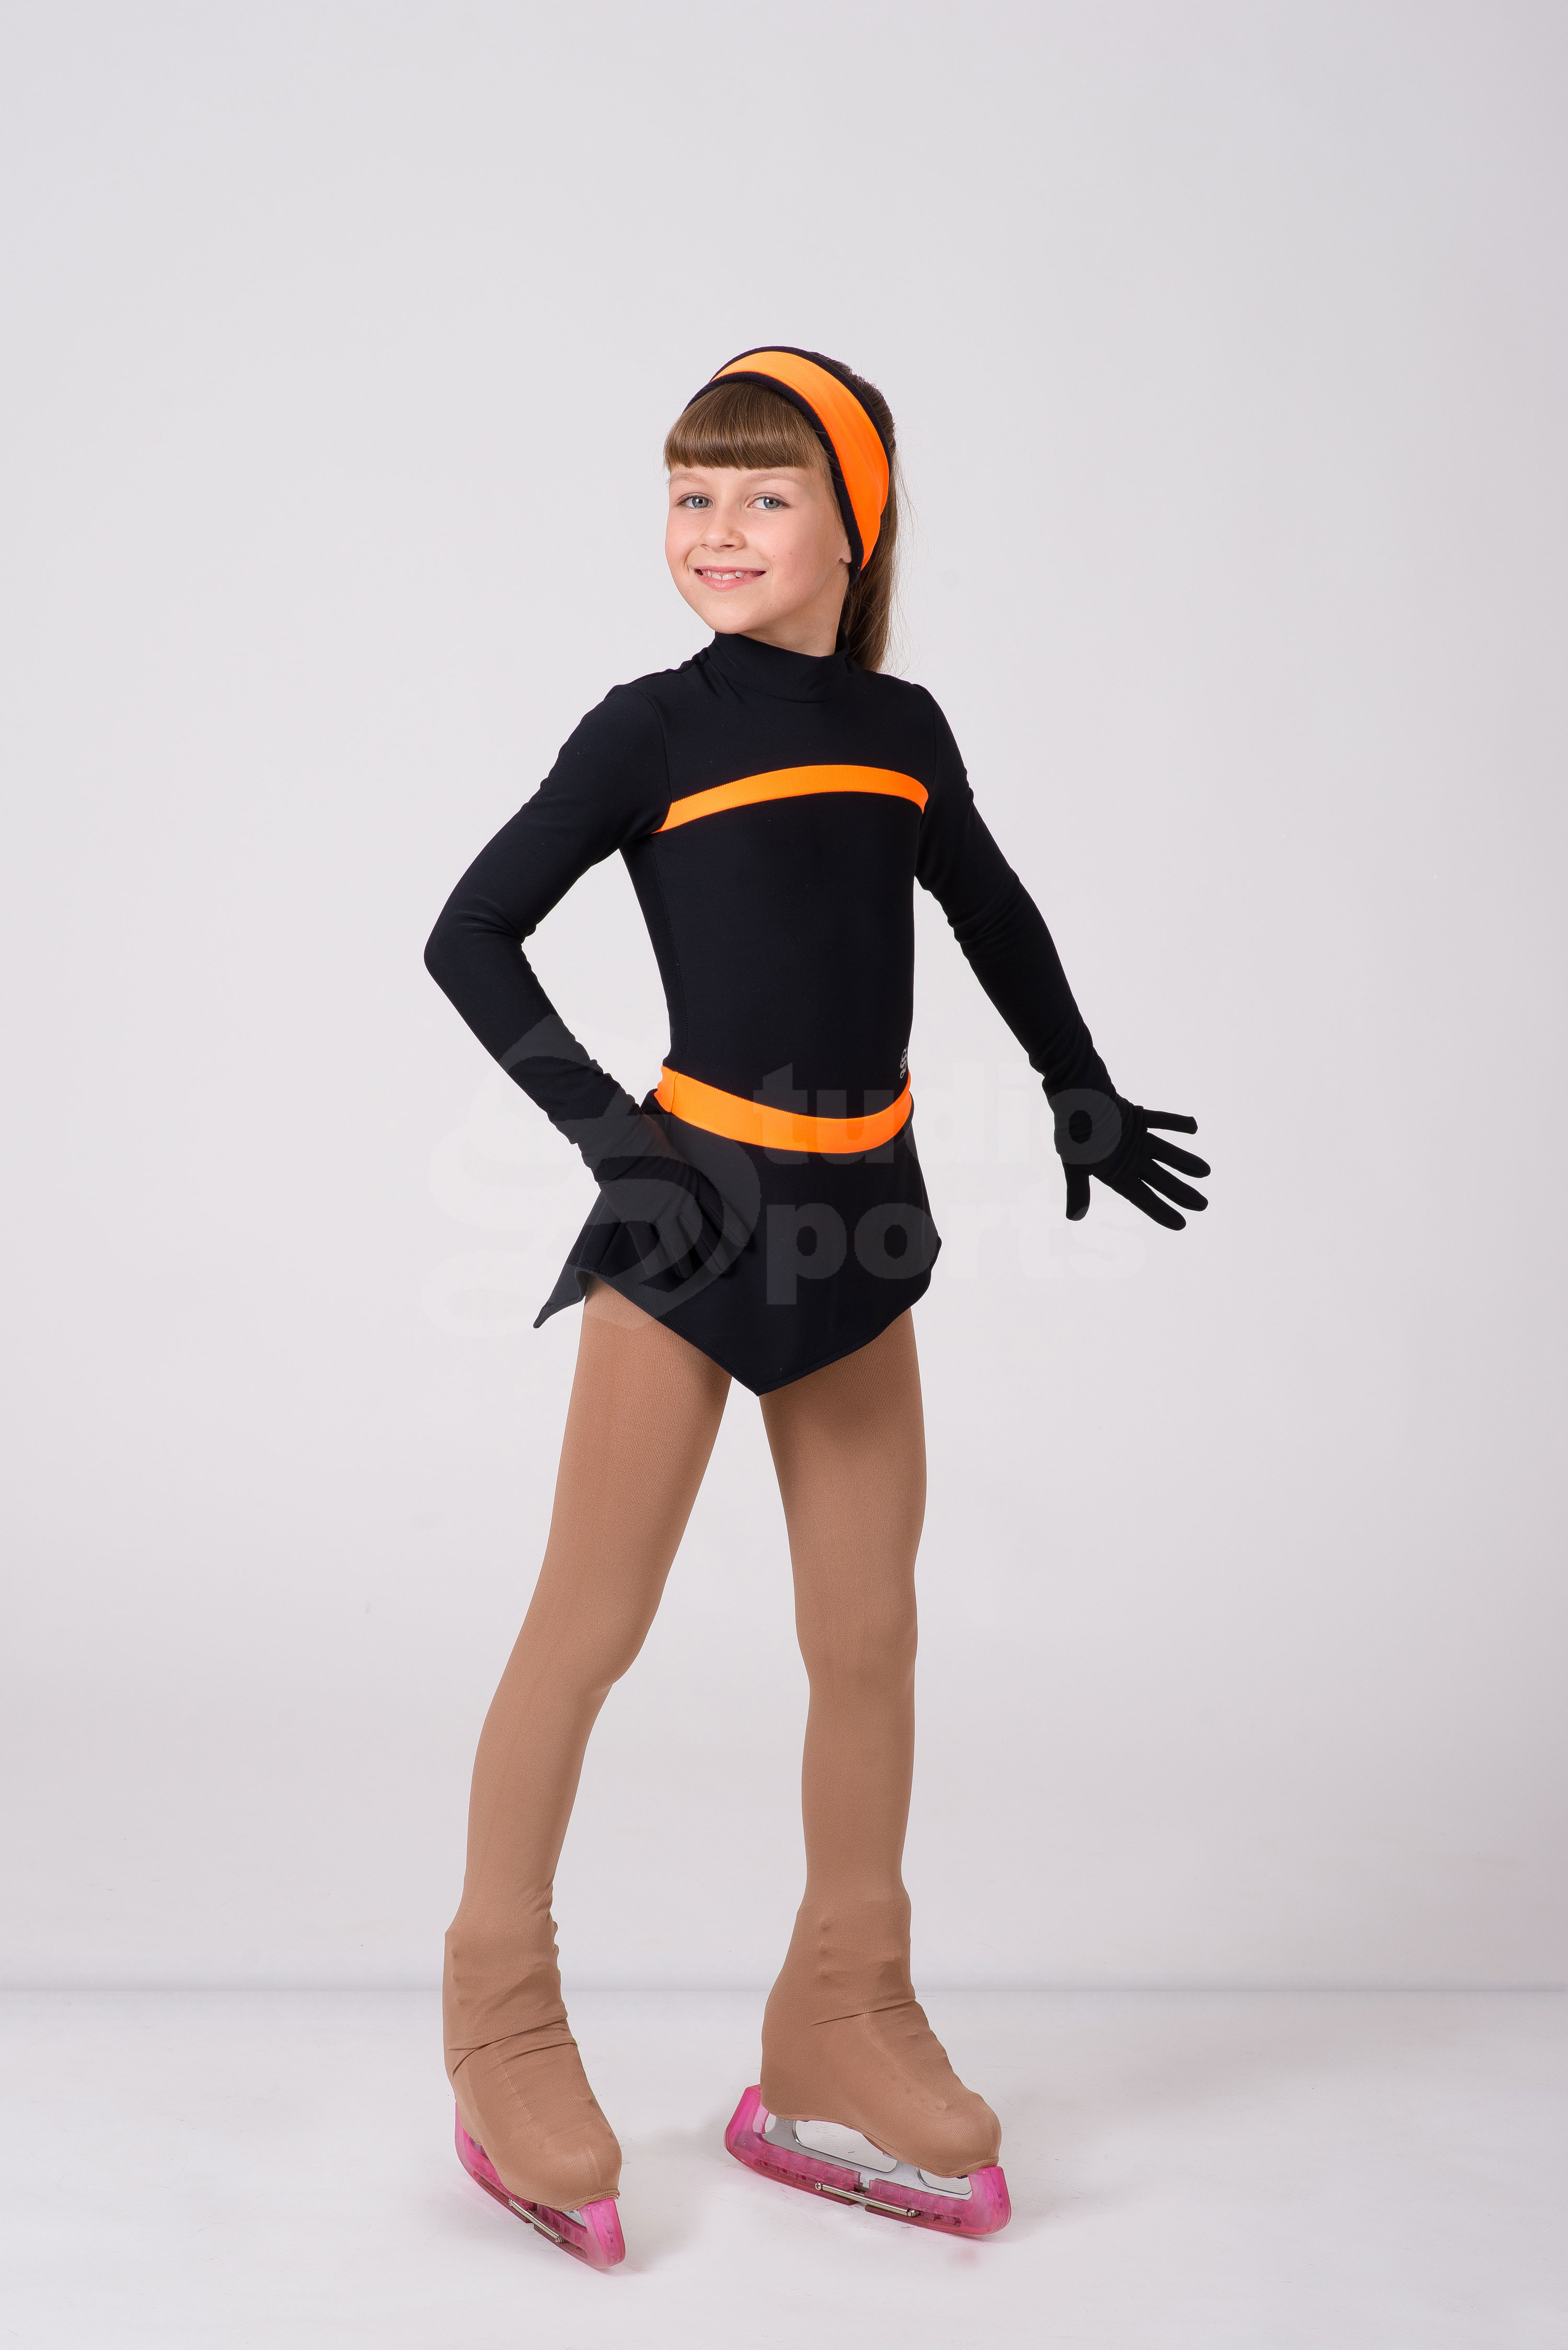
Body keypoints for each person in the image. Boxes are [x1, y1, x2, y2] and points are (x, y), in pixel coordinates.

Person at [423, 347, 1209, 2267]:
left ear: (855, 532)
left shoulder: (906, 731)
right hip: (692, 1230)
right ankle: (497, 2019)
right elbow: (471, 932)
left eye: (764, 495)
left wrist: (1078, 1086)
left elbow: (993, 911)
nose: (717, 528)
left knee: (869, 1636)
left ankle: (841, 2008)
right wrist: (615, 1141)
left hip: (861, 1226)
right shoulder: (646, 731)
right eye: (690, 492)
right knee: (588, 1629)